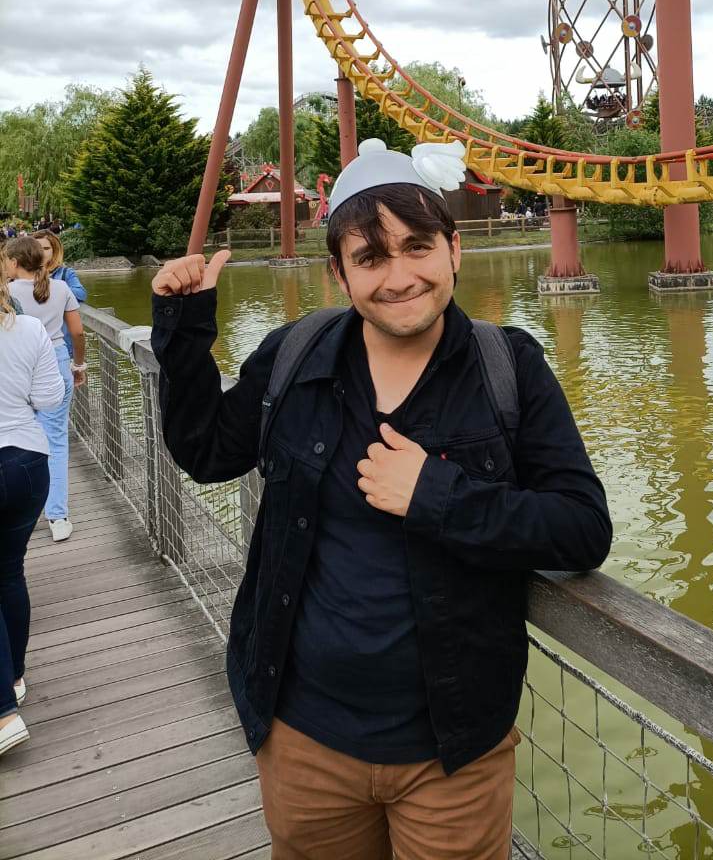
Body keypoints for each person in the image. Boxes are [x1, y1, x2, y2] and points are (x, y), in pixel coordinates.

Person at [151, 138, 612, 860]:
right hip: (304, 737)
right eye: (371, 258)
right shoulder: (295, 355)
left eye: (417, 247)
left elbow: (582, 528)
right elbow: (206, 452)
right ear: (339, 274)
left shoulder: (507, 369)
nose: (400, 277)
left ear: (454, 250)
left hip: (451, 752)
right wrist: (184, 331)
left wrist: (438, 494)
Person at [0, 251, 64, 756]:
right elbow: (49, 398)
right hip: (27, 464)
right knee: (8, 573)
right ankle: (15, 676)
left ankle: (3, 713)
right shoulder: (28, 332)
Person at [2, 237, 86, 542]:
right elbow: (77, 332)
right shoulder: (62, 289)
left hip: (19, 366)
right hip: (57, 359)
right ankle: (58, 515)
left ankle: (21, 508)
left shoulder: (7, 292)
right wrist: (79, 365)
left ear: (13, 262)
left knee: (20, 437)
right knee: (56, 440)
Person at [35, 230, 87, 358]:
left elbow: (81, 293)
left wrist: (52, 288)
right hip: (31, 344)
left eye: (46, 248)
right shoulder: (22, 274)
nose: (41, 252)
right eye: (37, 248)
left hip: (60, 343)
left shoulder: (64, 273)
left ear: (54, 251)